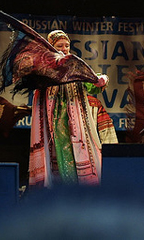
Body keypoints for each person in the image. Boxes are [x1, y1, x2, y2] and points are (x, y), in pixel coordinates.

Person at [28, 30, 113, 187]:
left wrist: (100, 81)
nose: (64, 48)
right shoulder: (43, 67)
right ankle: (60, 192)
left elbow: (91, 83)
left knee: (79, 150)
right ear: (50, 47)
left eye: (67, 45)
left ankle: (79, 191)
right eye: (60, 45)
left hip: (76, 120)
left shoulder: (75, 65)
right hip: (52, 120)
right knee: (58, 154)